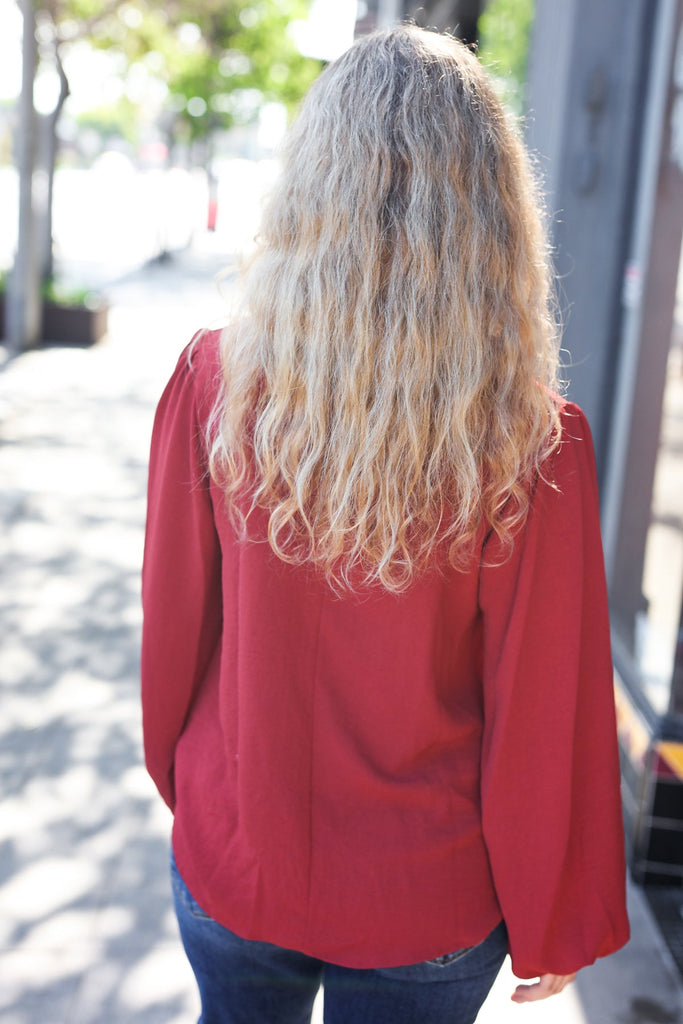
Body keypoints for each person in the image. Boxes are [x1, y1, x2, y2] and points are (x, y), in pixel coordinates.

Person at [141, 25, 630, 1024]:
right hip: (426, 899)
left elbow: (172, 632)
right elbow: (543, 714)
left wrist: (198, 788)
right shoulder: (530, 442)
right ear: (491, 208)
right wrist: (554, 915)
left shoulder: (215, 384)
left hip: (239, 855)